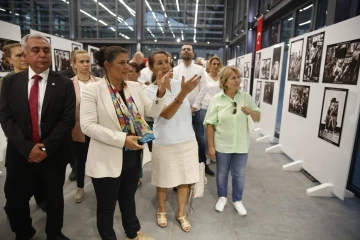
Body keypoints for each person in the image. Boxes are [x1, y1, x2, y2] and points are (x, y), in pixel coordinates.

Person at [80, 46, 168, 240]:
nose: (127, 66)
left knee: (128, 199)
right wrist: (122, 140)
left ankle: (133, 233)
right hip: (106, 157)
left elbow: (151, 112)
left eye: (127, 61)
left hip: (133, 155)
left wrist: (161, 93)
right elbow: (87, 126)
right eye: (121, 62)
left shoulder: (134, 87)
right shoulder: (92, 90)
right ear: (107, 65)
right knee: (106, 206)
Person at [0, 33, 75, 240]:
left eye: (46, 50)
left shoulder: (64, 83)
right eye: (36, 50)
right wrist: (27, 148)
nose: (42, 54)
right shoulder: (11, 82)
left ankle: (54, 233)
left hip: (53, 154)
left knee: (54, 199)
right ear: (24, 55)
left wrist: (45, 148)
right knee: (15, 200)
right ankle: (24, 233)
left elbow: (67, 120)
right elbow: (6, 118)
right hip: (20, 154)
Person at [146, 51, 200, 233]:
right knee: (163, 178)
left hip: (187, 139)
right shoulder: (149, 91)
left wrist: (184, 92)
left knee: (184, 179)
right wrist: (183, 94)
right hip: (164, 140)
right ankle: (161, 209)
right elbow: (166, 114)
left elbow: (189, 108)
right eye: (159, 63)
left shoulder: (180, 84)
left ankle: (181, 213)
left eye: (167, 62)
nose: (165, 66)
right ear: (151, 67)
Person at [204, 66, 260, 216]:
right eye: (233, 78)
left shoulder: (246, 97)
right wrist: (211, 146)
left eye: (238, 77)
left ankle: (237, 200)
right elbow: (210, 124)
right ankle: (222, 197)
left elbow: (257, 117)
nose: (237, 81)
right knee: (222, 172)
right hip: (222, 144)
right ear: (224, 81)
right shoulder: (216, 100)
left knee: (239, 174)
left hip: (241, 144)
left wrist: (251, 111)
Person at [173, 45, 215, 176]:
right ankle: (182, 166)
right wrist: (179, 105)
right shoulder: (175, 70)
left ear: (193, 53)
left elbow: (203, 88)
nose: (186, 51)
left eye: (188, 49)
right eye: (184, 49)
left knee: (200, 139)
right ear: (181, 52)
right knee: (180, 138)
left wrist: (195, 106)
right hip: (179, 109)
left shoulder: (200, 69)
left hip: (196, 109)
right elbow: (175, 88)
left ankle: (202, 165)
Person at [70, 49, 100, 203]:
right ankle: (80, 187)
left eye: (87, 61)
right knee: (80, 160)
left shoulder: (99, 82)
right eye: (81, 61)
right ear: (74, 64)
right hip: (78, 129)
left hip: (97, 128)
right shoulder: (69, 84)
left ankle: (100, 187)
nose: (86, 64)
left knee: (98, 158)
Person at [199, 56, 222, 164]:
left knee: (218, 132)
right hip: (206, 107)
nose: (216, 66)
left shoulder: (222, 78)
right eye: (214, 64)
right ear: (210, 65)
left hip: (220, 108)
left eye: (218, 64)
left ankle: (215, 154)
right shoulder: (204, 77)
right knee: (206, 133)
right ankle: (207, 154)